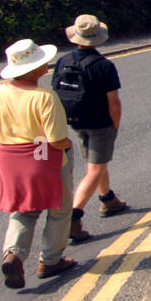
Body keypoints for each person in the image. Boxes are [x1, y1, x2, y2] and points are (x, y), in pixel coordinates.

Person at [0, 39, 76, 289]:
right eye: (41, 62)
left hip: (9, 158)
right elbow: (55, 139)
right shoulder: (44, 96)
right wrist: (68, 145)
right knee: (59, 208)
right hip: (41, 151)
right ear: (31, 70)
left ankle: (13, 254)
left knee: (23, 209)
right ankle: (50, 260)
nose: (46, 65)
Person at [52, 15, 128, 238]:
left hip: (75, 122)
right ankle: (74, 218)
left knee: (97, 163)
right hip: (100, 123)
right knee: (95, 169)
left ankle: (107, 199)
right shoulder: (104, 66)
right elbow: (113, 102)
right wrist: (115, 124)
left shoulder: (62, 61)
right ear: (98, 39)